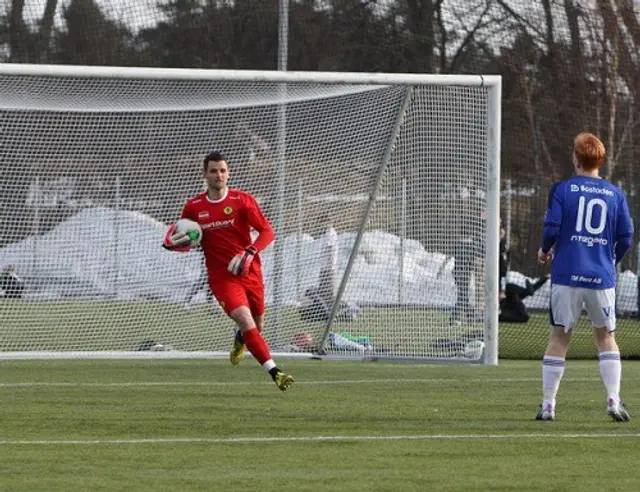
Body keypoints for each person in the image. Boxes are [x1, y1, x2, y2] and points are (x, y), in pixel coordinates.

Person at [163, 151, 294, 391]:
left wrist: (250, 252)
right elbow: (186, 241)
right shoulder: (194, 207)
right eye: (213, 171)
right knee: (245, 320)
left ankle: (240, 339)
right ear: (205, 174)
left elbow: (267, 232)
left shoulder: (242, 200)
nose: (218, 175)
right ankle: (276, 372)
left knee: (257, 325)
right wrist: (172, 244)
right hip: (222, 278)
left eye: (222, 170)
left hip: (250, 272)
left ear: (228, 173)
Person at [535, 132, 633, 421]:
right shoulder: (615, 194)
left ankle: (549, 404)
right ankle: (613, 399)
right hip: (601, 276)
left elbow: (552, 228)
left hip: (567, 275)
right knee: (605, 337)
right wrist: (610, 258)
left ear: (576, 158)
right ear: (600, 160)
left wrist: (544, 250)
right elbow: (626, 236)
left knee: (559, 337)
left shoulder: (562, 189)